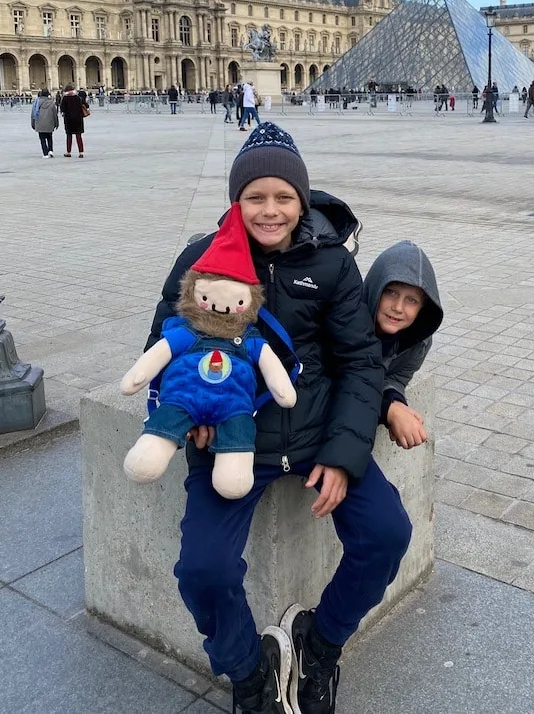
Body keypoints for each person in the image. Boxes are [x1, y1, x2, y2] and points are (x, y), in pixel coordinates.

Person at [146, 123, 410, 714]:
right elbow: (162, 351)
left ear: (302, 200)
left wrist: (343, 457)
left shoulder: (333, 265)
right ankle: (249, 671)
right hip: (234, 440)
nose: (270, 211)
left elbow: (361, 364)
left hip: (318, 433)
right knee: (202, 571)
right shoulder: (199, 260)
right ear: (236, 200)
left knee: (388, 534)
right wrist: (190, 419)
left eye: (283, 197)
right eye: (255, 197)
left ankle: (321, 644)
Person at [363, 241, 443, 451]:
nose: (398, 308)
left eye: (411, 300)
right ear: (375, 288)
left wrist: (395, 399)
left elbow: (396, 377)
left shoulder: (419, 342)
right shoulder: (345, 323)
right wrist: (387, 409)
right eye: (390, 292)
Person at [60, 83, 87, 157]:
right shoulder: (78, 98)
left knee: (69, 136)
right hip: (78, 119)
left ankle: (68, 152)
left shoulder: (65, 98)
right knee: (79, 136)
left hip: (69, 119)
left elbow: (62, 109)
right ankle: (81, 152)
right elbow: (86, 105)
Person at [31, 87, 58, 157]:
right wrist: (56, 123)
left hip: (39, 123)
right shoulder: (51, 102)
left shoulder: (36, 103)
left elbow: (33, 114)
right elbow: (55, 114)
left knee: (42, 139)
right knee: (49, 137)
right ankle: (50, 151)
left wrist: (33, 124)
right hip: (49, 123)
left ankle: (45, 154)